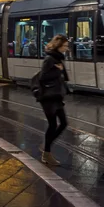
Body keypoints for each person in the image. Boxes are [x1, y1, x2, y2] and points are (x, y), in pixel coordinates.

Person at [37, 34, 71, 166]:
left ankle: (46, 146)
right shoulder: (50, 59)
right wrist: (58, 71)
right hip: (49, 98)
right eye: (65, 46)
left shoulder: (58, 58)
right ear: (58, 46)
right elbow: (43, 77)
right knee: (53, 125)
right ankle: (47, 153)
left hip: (56, 96)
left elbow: (62, 77)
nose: (67, 48)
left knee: (63, 123)